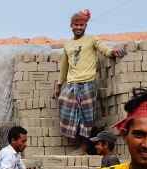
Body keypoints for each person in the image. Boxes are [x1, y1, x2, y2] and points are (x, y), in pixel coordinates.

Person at [53, 10, 124, 155]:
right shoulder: (68, 44)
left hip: (88, 83)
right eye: (76, 24)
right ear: (71, 25)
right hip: (72, 83)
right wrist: (59, 86)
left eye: (82, 25)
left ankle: (84, 147)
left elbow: (104, 50)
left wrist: (113, 52)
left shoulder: (92, 40)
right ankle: (76, 139)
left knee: (87, 116)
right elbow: (64, 67)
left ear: (86, 26)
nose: (79, 27)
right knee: (64, 104)